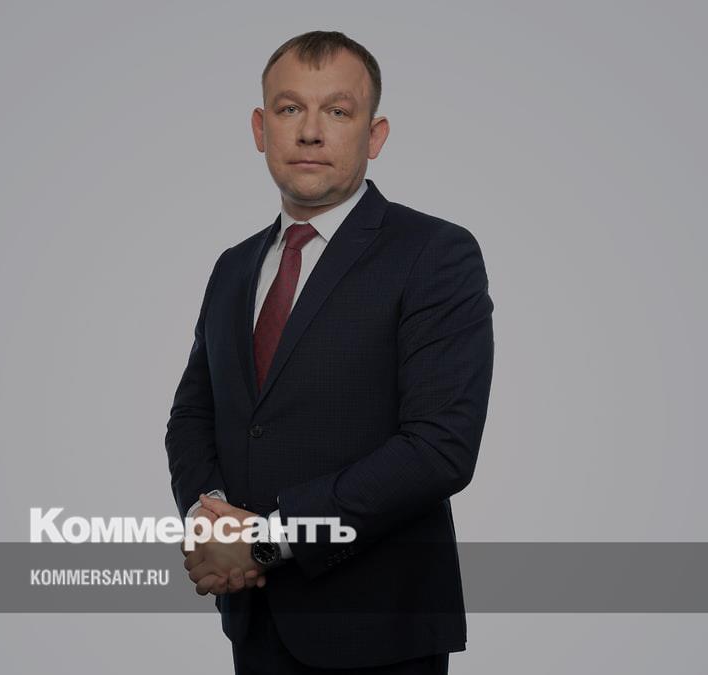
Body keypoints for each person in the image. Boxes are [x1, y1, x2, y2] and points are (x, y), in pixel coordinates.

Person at [165, 30, 493, 674]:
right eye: (290, 108)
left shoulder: (434, 254)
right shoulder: (233, 267)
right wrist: (210, 520)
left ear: (375, 135)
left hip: (380, 631)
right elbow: (194, 415)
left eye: (338, 111)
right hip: (256, 624)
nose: (311, 132)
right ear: (261, 128)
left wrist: (266, 541)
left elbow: (440, 447)